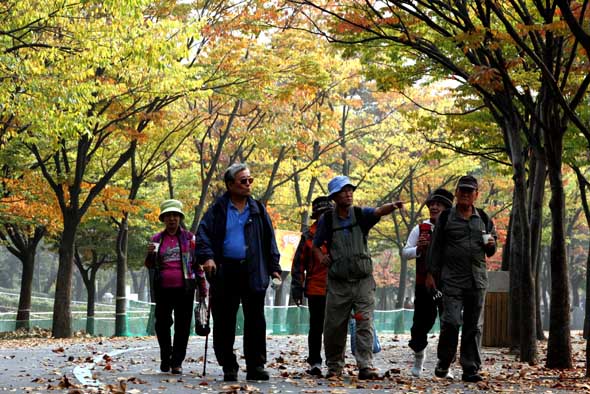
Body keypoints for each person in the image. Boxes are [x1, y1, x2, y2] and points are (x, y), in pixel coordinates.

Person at [196, 163, 282, 382]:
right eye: (243, 181)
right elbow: (203, 235)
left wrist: (274, 269)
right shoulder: (218, 209)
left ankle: (256, 366)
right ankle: (228, 365)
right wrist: (207, 258)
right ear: (230, 184)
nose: (248, 184)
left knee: (255, 321)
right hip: (225, 271)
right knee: (224, 321)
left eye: (250, 180)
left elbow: (269, 240)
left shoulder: (258, 209)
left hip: (253, 270)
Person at [312, 175, 403, 380]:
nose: (348, 193)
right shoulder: (327, 220)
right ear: (334, 196)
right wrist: (322, 257)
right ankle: (334, 366)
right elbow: (316, 245)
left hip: (363, 281)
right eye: (344, 190)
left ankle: (366, 365)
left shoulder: (361, 214)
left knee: (364, 323)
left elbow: (379, 211)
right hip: (338, 283)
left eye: (350, 189)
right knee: (334, 326)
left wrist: (393, 206)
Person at [426, 175, 497, 382]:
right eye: (462, 190)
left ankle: (470, 368)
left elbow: (491, 250)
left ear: (476, 195)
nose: (465, 194)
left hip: (477, 280)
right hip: (452, 279)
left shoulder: (483, 218)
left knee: (473, 326)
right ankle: (444, 361)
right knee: (451, 321)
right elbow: (435, 247)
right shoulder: (446, 217)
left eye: (470, 191)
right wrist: (431, 274)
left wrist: (492, 245)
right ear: (456, 193)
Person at [144, 199, 206, 375]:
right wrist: (150, 254)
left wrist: (203, 289)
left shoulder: (189, 238)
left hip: (185, 288)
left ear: (180, 217)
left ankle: (177, 362)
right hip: (162, 288)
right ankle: (166, 356)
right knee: (162, 324)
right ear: (163, 218)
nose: (172, 219)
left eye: (175, 215)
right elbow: (150, 265)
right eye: (168, 216)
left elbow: (197, 264)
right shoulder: (156, 239)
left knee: (183, 326)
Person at [402, 188, 454, 377]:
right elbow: (405, 253)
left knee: (450, 324)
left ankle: (445, 364)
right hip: (424, 284)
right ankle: (419, 357)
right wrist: (418, 248)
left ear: (447, 208)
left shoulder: (453, 227)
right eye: (431, 204)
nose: (433, 207)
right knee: (420, 325)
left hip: (449, 285)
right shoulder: (420, 228)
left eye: (438, 204)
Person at [290, 196, 333, 377]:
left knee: (336, 327)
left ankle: (334, 361)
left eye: (327, 214)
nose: (324, 217)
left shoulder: (339, 232)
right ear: (316, 216)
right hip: (316, 288)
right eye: (321, 214)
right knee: (316, 327)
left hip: (339, 288)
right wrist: (297, 289)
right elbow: (299, 264)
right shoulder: (308, 236)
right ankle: (315, 361)